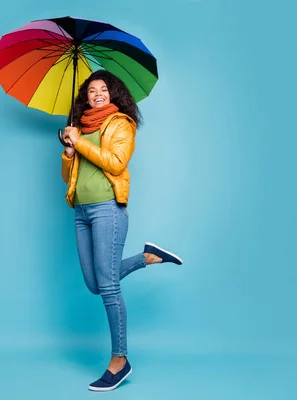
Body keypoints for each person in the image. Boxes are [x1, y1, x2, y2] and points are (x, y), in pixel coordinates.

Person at [61, 70, 184, 392]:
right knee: (94, 285)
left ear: (113, 93)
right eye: (91, 91)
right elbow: (68, 177)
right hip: (81, 212)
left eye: (103, 89)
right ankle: (147, 257)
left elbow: (115, 163)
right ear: (84, 98)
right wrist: (69, 151)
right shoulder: (79, 128)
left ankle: (119, 361)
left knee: (110, 288)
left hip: (107, 210)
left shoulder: (121, 124)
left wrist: (80, 145)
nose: (97, 94)